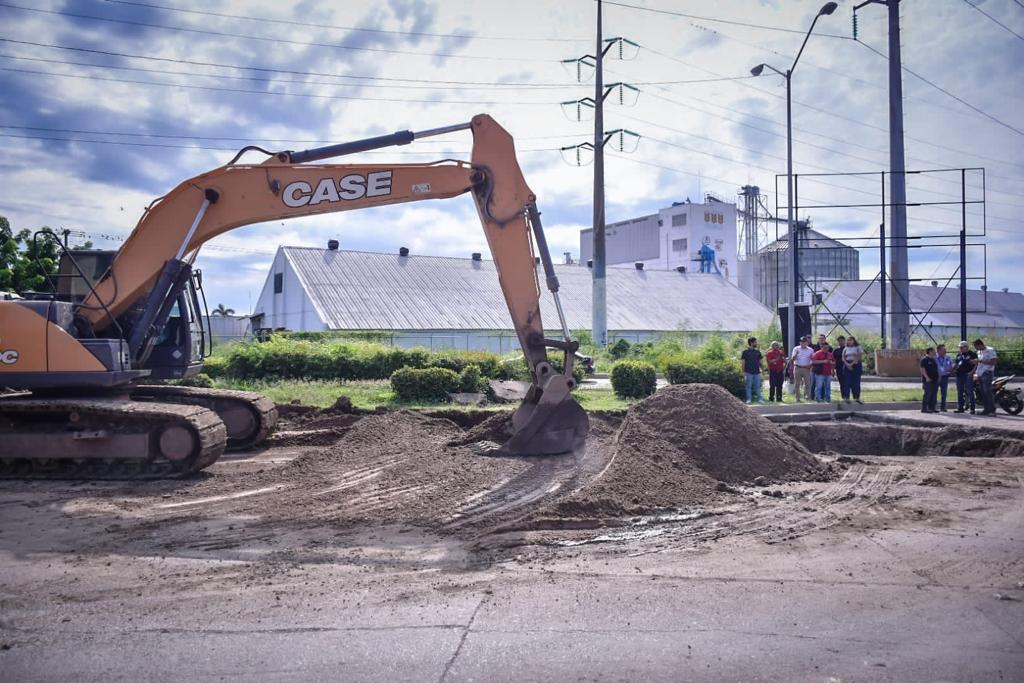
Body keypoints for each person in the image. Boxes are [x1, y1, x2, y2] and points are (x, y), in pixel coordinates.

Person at [974, 338, 998, 415]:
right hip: (980, 373)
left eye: (976, 347)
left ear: (980, 344)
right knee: (982, 392)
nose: (976, 349)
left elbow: (993, 362)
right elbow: (979, 364)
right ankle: (986, 409)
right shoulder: (979, 352)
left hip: (987, 373)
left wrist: (981, 361)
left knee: (988, 392)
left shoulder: (990, 350)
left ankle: (992, 410)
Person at [953, 340, 977, 414]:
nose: (960, 349)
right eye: (960, 347)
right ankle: (960, 408)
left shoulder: (972, 354)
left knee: (969, 391)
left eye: (962, 347)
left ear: (966, 347)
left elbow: (976, 364)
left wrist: (972, 372)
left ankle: (972, 408)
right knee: (960, 392)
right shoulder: (959, 354)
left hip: (967, 375)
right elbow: (957, 363)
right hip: (959, 375)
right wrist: (954, 368)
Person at [790, 335, 814, 402]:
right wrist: (796, 354)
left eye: (804, 342)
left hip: (807, 368)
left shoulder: (811, 350)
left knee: (807, 384)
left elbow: (812, 359)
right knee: (797, 384)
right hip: (797, 367)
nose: (803, 343)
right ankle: (797, 398)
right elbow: (792, 359)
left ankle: (807, 397)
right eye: (801, 342)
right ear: (799, 342)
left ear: (807, 342)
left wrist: (810, 365)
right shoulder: (796, 349)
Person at [741, 336, 764, 404]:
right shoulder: (745, 352)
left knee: (758, 386)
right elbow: (743, 363)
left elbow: (761, 362)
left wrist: (763, 370)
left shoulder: (758, 352)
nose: (756, 343)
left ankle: (759, 399)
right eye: (755, 342)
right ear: (751, 343)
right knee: (748, 386)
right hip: (748, 372)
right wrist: (743, 372)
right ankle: (749, 399)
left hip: (757, 372)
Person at [842, 336, 864, 404]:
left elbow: (859, 356)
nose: (849, 341)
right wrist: (847, 365)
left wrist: (852, 364)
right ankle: (846, 397)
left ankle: (857, 397)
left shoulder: (858, 347)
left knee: (856, 382)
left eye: (850, 340)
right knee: (847, 382)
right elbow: (843, 357)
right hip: (847, 365)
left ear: (854, 341)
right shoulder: (846, 348)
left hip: (856, 365)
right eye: (848, 340)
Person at [935, 344, 954, 412]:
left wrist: (951, 368)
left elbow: (952, 365)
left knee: (944, 392)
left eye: (945, 350)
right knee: (934, 391)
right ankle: (933, 406)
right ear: (938, 350)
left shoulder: (948, 357)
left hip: (945, 376)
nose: (945, 351)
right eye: (943, 350)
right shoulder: (934, 357)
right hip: (936, 377)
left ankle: (943, 407)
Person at [920, 347, 939, 413]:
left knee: (934, 394)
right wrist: (927, 377)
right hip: (927, 380)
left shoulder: (933, 360)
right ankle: (924, 408)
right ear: (930, 351)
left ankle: (932, 408)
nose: (935, 352)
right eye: (934, 351)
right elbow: (922, 370)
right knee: (928, 394)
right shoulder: (924, 360)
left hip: (935, 380)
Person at [833, 335, 847, 401]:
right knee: (841, 383)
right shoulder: (836, 350)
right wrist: (832, 370)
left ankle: (848, 396)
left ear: (844, 341)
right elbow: (833, 360)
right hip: (839, 369)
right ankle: (844, 396)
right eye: (839, 341)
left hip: (847, 368)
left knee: (847, 383)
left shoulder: (848, 349)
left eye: (842, 340)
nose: (841, 342)